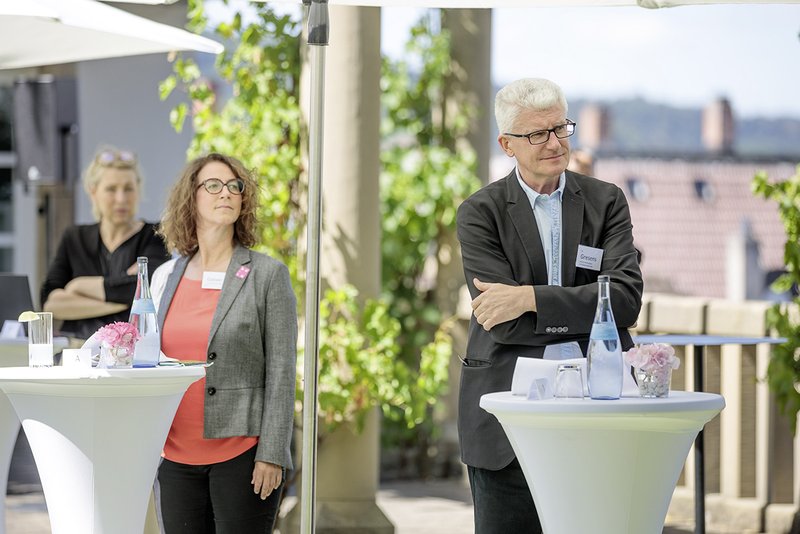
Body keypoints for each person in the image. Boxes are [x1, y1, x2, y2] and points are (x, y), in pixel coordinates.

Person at [455, 78, 643, 534]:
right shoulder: (481, 213)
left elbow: (624, 301)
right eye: (538, 134)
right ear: (507, 145)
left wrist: (527, 298)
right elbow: (501, 325)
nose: (556, 143)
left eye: (561, 128)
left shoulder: (605, 202)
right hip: (506, 418)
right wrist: (584, 312)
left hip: (600, 409)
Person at [150, 153, 297, 533]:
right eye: (213, 185)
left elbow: (282, 371)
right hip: (175, 455)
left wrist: (272, 453)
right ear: (191, 198)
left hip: (243, 455)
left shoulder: (267, 275)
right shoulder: (167, 275)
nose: (227, 193)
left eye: (235, 186)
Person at [40, 146, 170, 341]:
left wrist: (78, 286)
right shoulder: (74, 238)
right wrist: (127, 297)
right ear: (93, 192)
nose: (121, 198)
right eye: (111, 189)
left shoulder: (155, 235)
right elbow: (50, 304)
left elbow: (152, 289)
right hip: (76, 349)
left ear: (138, 190)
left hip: (130, 350)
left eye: (128, 189)